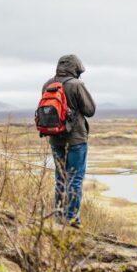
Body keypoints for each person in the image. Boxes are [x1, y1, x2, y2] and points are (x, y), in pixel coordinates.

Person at [44, 54, 96, 228]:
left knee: (60, 177)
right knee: (75, 178)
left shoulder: (48, 84)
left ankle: (58, 214)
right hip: (76, 139)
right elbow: (90, 110)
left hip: (54, 138)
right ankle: (72, 218)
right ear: (76, 68)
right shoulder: (77, 85)